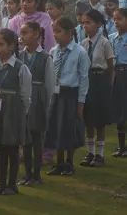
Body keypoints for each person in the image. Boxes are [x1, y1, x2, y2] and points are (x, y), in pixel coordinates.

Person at [0, 29, 32, 196]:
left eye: (1, 44)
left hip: (13, 109)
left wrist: (22, 113)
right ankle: (1, 183)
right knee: (0, 147)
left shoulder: (20, 68)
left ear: (12, 46)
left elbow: (25, 94)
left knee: (12, 148)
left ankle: (12, 184)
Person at [45, 17, 90, 177]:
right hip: (56, 93)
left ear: (69, 33)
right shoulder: (53, 51)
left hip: (71, 93)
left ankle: (69, 163)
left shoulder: (80, 52)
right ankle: (59, 163)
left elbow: (84, 78)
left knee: (69, 128)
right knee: (56, 127)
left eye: (58, 31)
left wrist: (81, 102)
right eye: (54, 31)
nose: (55, 35)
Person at [18, 22, 54, 186]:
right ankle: (27, 173)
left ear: (35, 34)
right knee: (25, 139)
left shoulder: (45, 57)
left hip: (38, 99)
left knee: (37, 138)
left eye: (25, 32)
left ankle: (36, 174)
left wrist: (46, 105)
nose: (21, 36)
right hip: (23, 99)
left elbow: (49, 85)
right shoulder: (20, 56)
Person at [79, 9, 114, 168]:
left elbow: (110, 66)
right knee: (89, 119)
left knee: (99, 120)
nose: (85, 26)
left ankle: (100, 154)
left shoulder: (105, 43)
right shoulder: (84, 43)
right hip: (88, 80)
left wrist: (109, 85)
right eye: (83, 23)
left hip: (100, 80)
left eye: (89, 22)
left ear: (98, 24)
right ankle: (90, 152)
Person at [110, 8, 127, 157]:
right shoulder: (111, 38)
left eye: (120, 19)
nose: (116, 22)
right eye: (114, 19)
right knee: (119, 109)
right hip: (115, 74)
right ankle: (121, 146)